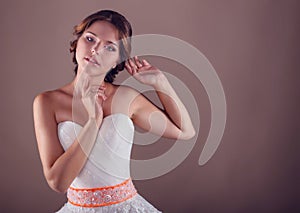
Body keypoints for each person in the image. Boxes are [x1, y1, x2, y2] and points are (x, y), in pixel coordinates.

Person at [33, 9, 195, 212]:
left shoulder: (126, 97)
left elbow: (185, 131)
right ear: (76, 42)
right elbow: (58, 182)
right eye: (90, 39)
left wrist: (160, 83)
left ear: (118, 60)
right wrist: (94, 121)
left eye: (109, 48)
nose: (95, 50)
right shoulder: (47, 102)